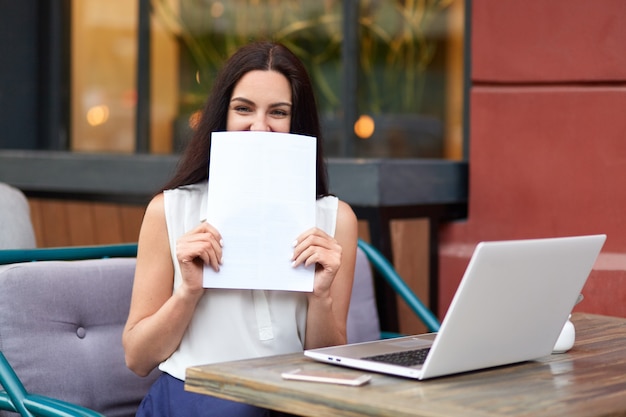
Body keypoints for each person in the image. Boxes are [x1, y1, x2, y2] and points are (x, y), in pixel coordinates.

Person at [122, 41, 358, 417]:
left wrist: (320, 296)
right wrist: (188, 293)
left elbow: (327, 358)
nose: (259, 127)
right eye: (243, 108)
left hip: (291, 397)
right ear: (222, 116)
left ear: (298, 124)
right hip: (197, 393)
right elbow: (137, 357)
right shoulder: (169, 209)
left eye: (278, 112)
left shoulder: (335, 219)